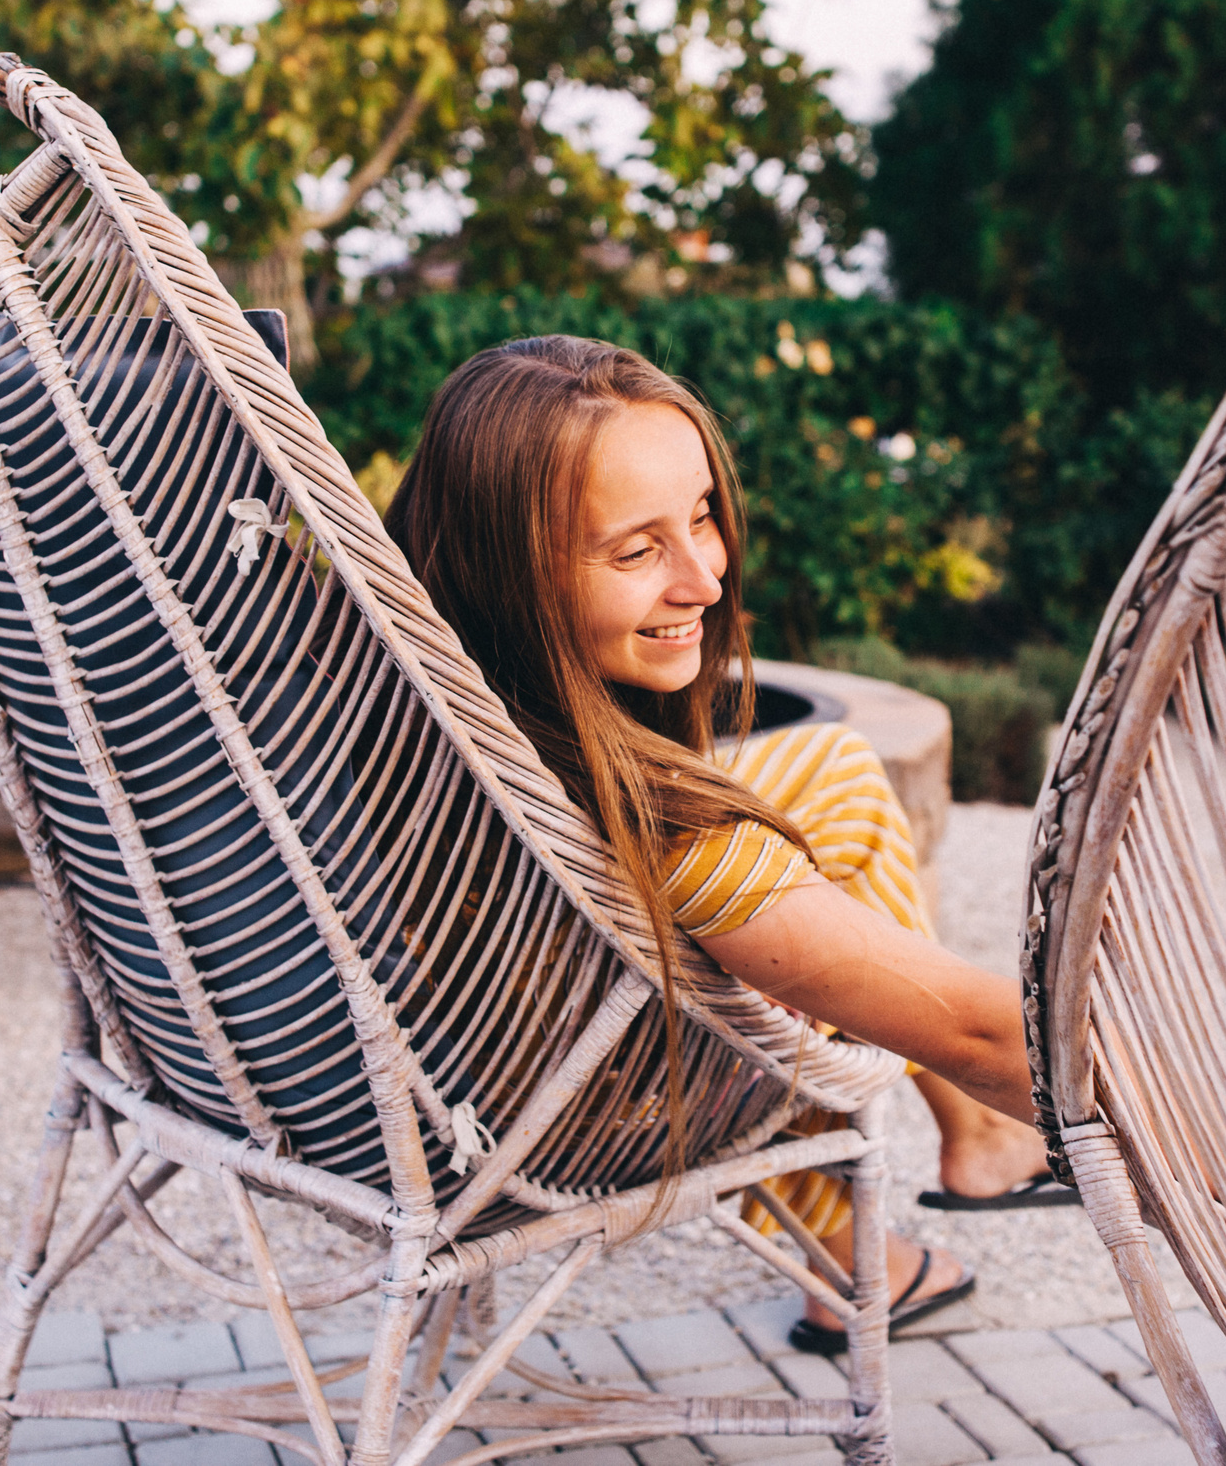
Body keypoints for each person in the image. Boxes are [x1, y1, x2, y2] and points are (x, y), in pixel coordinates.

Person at [384, 335, 1065, 1354]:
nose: (704, 578)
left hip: (462, 1026)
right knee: (798, 952)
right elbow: (982, 1037)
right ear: (508, 572)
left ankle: (973, 1140)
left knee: (831, 766)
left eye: (700, 516)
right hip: (567, 1106)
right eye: (635, 550)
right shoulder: (663, 839)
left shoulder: (409, 698)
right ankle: (854, 1247)